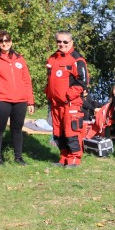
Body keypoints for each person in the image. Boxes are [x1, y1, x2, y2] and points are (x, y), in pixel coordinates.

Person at [0, 30, 35, 165]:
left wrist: (30, 101)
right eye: (1, 41)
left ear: (11, 42)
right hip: (1, 99)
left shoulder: (19, 58)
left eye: (7, 40)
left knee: (17, 129)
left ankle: (18, 158)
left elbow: (26, 80)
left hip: (20, 100)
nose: (4, 43)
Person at [45, 31, 88, 167]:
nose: (62, 44)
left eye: (65, 42)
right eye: (59, 41)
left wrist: (67, 96)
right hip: (56, 104)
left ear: (71, 42)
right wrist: (49, 94)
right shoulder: (52, 58)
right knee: (58, 132)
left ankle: (74, 159)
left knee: (72, 132)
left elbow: (82, 82)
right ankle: (63, 158)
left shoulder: (77, 60)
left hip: (71, 104)